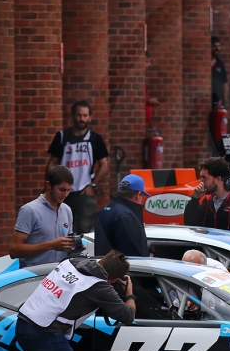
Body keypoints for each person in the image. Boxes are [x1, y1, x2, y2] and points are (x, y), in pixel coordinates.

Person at [45, 101, 109, 234]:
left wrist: (93, 185)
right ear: (73, 116)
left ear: (90, 117)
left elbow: (104, 165)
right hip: (62, 192)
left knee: (85, 233)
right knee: (59, 231)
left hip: (84, 192)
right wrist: (50, 184)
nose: (82, 119)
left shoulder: (95, 139)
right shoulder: (62, 137)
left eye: (85, 116)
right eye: (79, 115)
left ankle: (82, 255)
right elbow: (52, 162)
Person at [11, 166, 75, 268]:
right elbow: (14, 251)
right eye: (62, 189)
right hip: (34, 276)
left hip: (60, 275)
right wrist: (51, 245)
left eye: (68, 190)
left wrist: (74, 246)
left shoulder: (67, 210)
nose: (65, 194)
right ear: (48, 185)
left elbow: (67, 244)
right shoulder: (29, 210)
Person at [184, 157, 230, 235]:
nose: (201, 181)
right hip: (209, 246)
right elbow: (190, 223)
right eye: (201, 177)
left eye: (204, 178)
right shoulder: (208, 200)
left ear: (218, 178)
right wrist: (194, 199)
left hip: (228, 246)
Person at [94, 174, 150, 257]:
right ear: (138, 195)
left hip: (104, 266)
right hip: (122, 269)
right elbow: (132, 254)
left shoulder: (104, 211)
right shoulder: (126, 216)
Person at [210, 37, 228, 108]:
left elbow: (224, 83)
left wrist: (223, 99)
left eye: (219, 46)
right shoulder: (204, 63)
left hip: (217, 97)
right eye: (214, 46)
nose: (217, 49)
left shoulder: (220, 64)